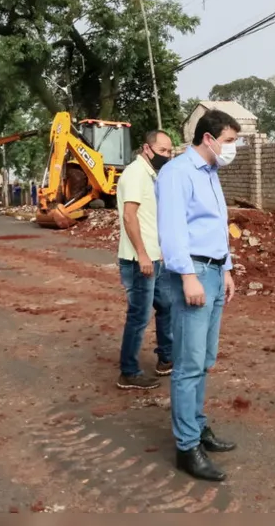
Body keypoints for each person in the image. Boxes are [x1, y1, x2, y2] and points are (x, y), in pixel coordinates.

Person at [156, 109, 239, 482]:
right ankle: (186, 447)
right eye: (230, 141)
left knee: (204, 359)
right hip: (193, 273)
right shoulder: (177, 173)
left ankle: (198, 426)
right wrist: (189, 277)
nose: (233, 148)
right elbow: (172, 230)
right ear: (209, 139)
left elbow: (217, 226)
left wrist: (227, 268)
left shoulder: (211, 173)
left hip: (214, 271)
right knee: (188, 364)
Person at [115, 130, 175, 390]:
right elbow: (130, 217)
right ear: (146, 149)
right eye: (163, 151)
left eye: (170, 151)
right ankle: (128, 371)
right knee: (139, 316)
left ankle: (166, 358)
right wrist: (142, 254)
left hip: (153, 257)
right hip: (140, 261)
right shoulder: (135, 174)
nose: (168, 155)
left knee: (166, 305)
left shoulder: (150, 175)